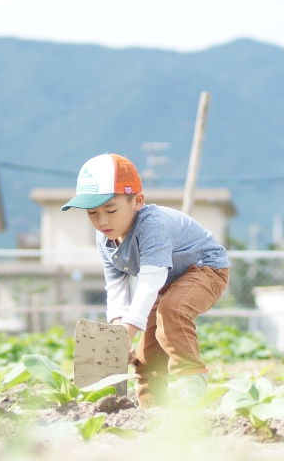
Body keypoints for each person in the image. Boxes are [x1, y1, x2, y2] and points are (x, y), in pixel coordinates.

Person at [62, 153, 231, 406]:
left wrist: (124, 336)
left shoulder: (153, 225)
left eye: (110, 209)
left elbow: (150, 281)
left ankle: (192, 378)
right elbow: (117, 287)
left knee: (171, 309)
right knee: (147, 355)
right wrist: (119, 332)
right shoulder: (105, 239)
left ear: (137, 201)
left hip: (205, 269)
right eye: (92, 213)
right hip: (165, 285)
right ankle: (151, 409)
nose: (102, 220)